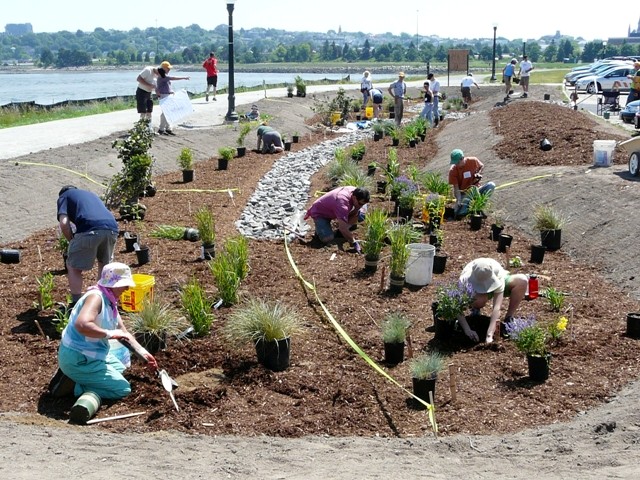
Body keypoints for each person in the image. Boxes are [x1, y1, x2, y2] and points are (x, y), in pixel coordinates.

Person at [57, 262, 158, 401]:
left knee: (124, 374)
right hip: (78, 358)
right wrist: (110, 334)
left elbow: (123, 333)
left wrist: (144, 354)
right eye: (125, 284)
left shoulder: (110, 301)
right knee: (123, 389)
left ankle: (83, 379)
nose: (128, 288)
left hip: (95, 355)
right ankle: (76, 386)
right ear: (114, 284)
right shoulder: (96, 297)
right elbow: (82, 324)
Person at [57, 185, 119, 309]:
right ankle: (104, 300)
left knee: (73, 267)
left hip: (89, 228)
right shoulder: (90, 194)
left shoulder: (64, 196)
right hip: (112, 228)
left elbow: (64, 223)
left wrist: (72, 240)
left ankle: (76, 304)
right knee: (104, 264)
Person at [457, 258, 528, 344]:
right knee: (478, 301)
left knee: (522, 280)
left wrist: (489, 335)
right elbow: (457, 308)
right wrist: (467, 330)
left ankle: (509, 318)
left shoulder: (498, 276)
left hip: (497, 282)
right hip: (477, 293)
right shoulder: (464, 280)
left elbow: (497, 307)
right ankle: (475, 310)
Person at [304, 186, 370, 252]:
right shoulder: (342, 203)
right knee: (328, 238)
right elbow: (343, 228)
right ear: (355, 198)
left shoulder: (355, 191)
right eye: (360, 203)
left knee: (361, 215)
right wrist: (353, 241)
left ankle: (340, 232)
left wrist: (357, 208)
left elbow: (359, 208)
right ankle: (319, 231)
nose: (361, 205)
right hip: (320, 213)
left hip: (333, 209)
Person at [448, 149, 495, 217]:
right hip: (464, 194)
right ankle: (469, 209)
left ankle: (480, 206)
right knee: (461, 213)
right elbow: (456, 187)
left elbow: (481, 166)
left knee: (491, 185)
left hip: (477, 189)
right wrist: (459, 200)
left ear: (462, 158)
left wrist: (478, 173)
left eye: (457, 163)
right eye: (454, 163)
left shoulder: (473, 161)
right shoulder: (453, 170)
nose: (456, 165)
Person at [155, 62, 190, 135]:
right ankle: (162, 129)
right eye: (168, 68)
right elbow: (173, 78)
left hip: (167, 95)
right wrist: (184, 77)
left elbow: (166, 86)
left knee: (168, 112)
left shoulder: (163, 76)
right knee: (165, 112)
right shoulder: (162, 76)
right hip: (164, 96)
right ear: (164, 68)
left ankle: (168, 128)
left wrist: (171, 91)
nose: (169, 69)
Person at [135, 63, 160, 132]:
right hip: (141, 91)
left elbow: (155, 85)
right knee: (143, 111)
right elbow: (138, 79)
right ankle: (141, 128)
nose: (158, 76)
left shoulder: (157, 75)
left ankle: (149, 127)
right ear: (157, 70)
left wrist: (158, 93)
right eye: (158, 74)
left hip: (149, 93)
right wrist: (149, 85)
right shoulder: (148, 70)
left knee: (150, 110)